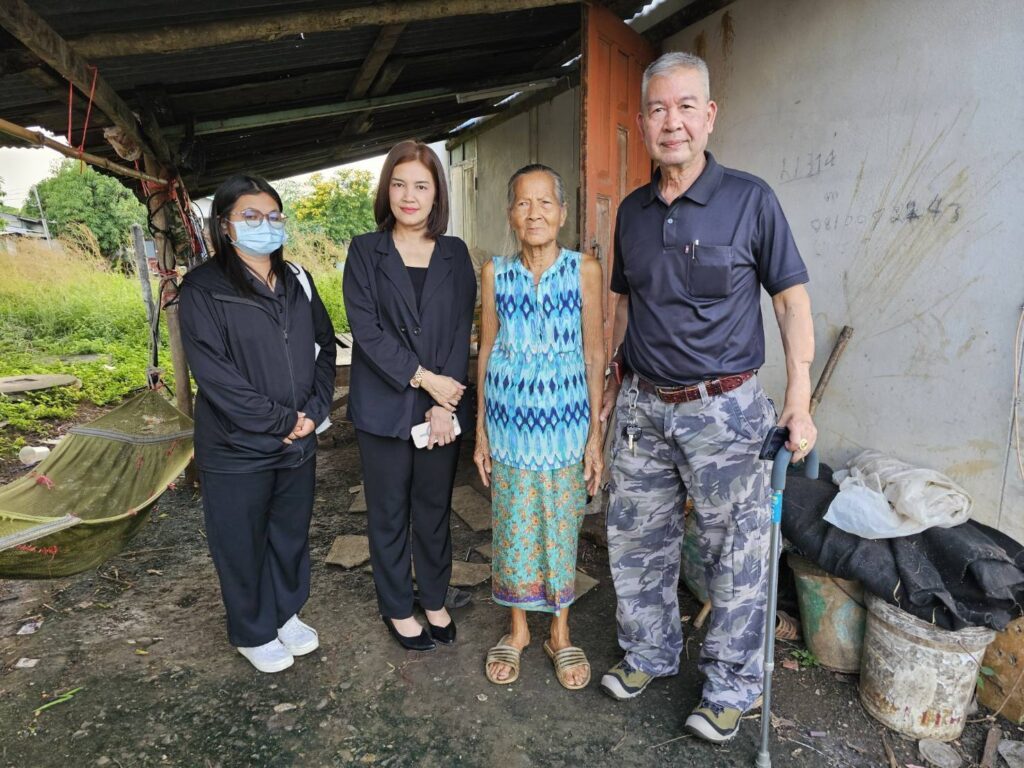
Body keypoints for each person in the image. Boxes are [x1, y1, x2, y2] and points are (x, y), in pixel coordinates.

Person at [598, 52, 816, 744]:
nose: (673, 122)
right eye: (658, 109)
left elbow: (790, 302)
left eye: (686, 106)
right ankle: (649, 654)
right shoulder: (631, 213)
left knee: (739, 553)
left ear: (710, 115)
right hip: (642, 405)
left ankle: (730, 689)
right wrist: (610, 387)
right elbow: (622, 307)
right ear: (643, 121)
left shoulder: (751, 200)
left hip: (726, 409)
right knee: (636, 538)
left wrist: (800, 398)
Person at [179, 173, 336, 673]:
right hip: (235, 447)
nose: (263, 224)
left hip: (298, 441)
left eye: (272, 215)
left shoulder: (298, 279)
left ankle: (285, 612)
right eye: (249, 215)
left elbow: (326, 346)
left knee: (289, 534)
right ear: (225, 225)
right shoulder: (203, 288)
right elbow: (214, 375)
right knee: (240, 540)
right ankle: (252, 629)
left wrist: (314, 411)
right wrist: (280, 420)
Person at [474, 164, 605, 690]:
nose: (534, 213)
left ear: (562, 213)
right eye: (523, 203)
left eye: (545, 202)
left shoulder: (584, 270)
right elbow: (486, 349)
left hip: (566, 430)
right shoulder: (494, 272)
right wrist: (481, 430)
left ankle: (560, 633)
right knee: (513, 530)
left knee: (561, 530)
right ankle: (519, 630)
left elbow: (595, 354)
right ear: (511, 213)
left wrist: (595, 436)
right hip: (508, 429)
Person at [343, 141, 476, 652]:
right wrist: (425, 381)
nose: (409, 195)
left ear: (437, 192)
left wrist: (444, 403)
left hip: (441, 408)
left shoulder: (455, 253)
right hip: (383, 406)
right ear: (387, 191)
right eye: (399, 184)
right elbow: (367, 332)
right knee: (389, 511)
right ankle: (398, 607)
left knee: (434, 507)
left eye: (421, 185)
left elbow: (459, 328)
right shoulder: (365, 251)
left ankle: (435, 598)